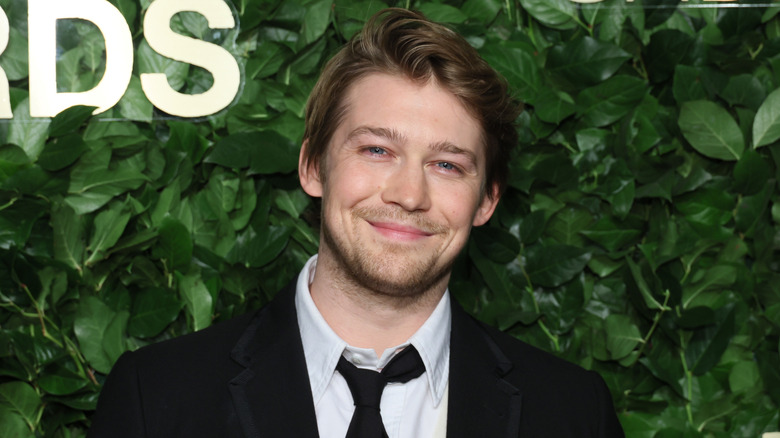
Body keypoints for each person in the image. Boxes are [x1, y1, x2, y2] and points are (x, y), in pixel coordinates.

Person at [88, 8, 625, 438]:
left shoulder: (574, 413)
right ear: (313, 167)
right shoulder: (156, 399)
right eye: (376, 149)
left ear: (486, 201)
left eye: (446, 165)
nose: (409, 194)